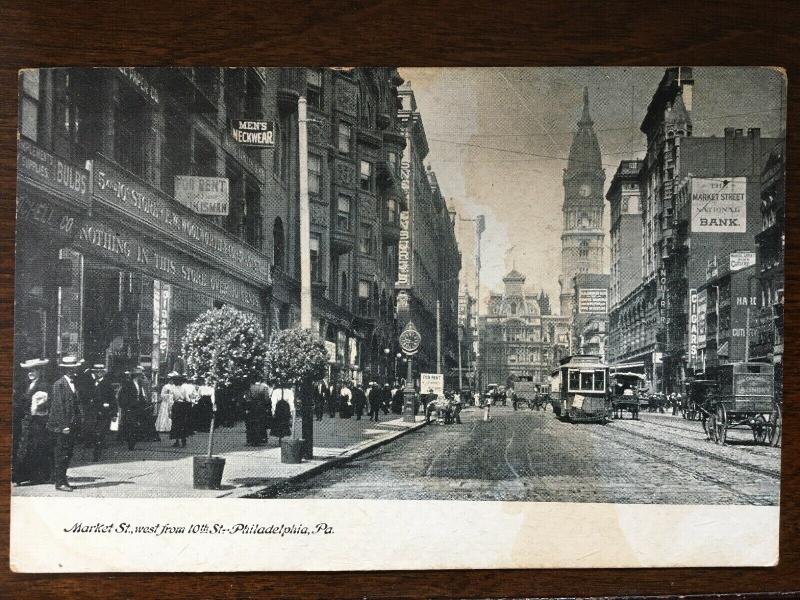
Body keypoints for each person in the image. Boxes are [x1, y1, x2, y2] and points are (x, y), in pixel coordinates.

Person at [47, 356, 84, 492]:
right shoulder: (59, 384)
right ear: (66, 370)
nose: (74, 371)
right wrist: (64, 426)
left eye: (75, 368)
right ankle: (60, 482)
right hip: (63, 427)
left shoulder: (74, 383)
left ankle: (63, 480)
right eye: (71, 369)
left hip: (72, 425)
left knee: (68, 453)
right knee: (61, 454)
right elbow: (58, 408)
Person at [13, 358, 51, 486]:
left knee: (36, 448)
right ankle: (24, 475)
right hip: (28, 420)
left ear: (39, 371)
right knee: (27, 447)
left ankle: (36, 476)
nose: (30, 373)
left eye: (33, 370)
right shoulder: (28, 384)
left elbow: (41, 407)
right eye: (29, 370)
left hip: (37, 421)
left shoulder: (43, 385)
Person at [87, 365, 117, 461]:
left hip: (104, 413)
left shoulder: (107, 384)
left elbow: (113, 399)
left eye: (100, 371)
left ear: (103, 372)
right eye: (96, 371)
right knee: (94, 433)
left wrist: (114, 413)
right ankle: (97, 450)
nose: (98, 373)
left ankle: (97, 454)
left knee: (99, 434)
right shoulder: (91, 383)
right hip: (93, 413)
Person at [169, 373, 193, 448]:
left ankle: (177, 441)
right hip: (183, 407)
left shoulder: (172, 389)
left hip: (176, 407)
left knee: (176, 423)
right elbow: (187, 398)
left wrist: (169, 410)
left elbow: (170, 401)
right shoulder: (184, 389)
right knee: (183, 423)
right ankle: (183, 440)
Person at [244, 380, 270, 446]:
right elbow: (267, 399)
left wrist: (248, 407)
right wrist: (267, 406)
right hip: (261, 407)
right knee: (261, 423)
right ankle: (260, 439)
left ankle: (251, 439)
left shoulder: (250, 387)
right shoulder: (264, 387)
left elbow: (247, 398)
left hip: (252, 407)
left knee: (251, 423)